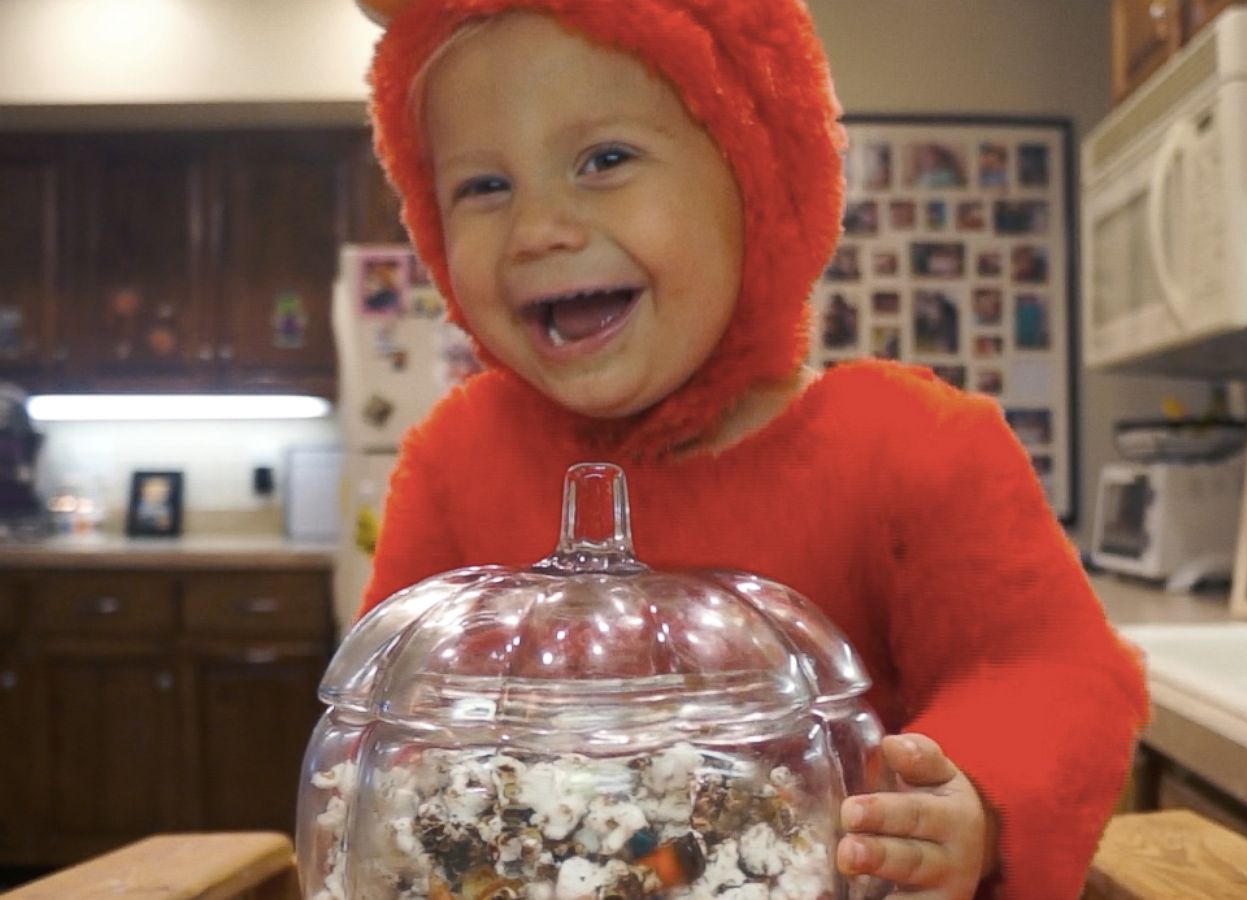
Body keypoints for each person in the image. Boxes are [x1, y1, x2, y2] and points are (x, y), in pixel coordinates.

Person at [355, 1, 1147, 897]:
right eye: (483, 187)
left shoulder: (914, 447)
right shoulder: (455, 460)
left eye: (605, 160)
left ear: (754, 173)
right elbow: (394, 740)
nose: (539, 228)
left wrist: (970, 801)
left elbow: (1054, 674)